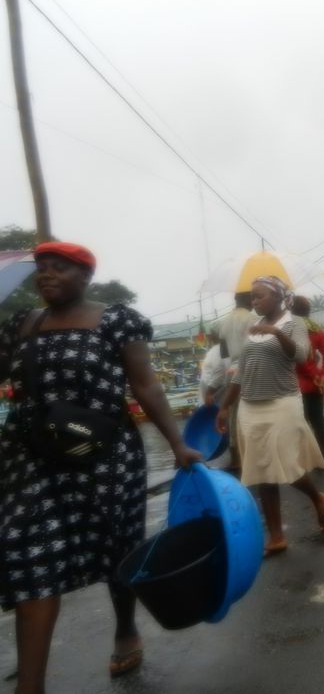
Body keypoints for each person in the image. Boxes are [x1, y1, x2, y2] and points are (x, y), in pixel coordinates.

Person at [0, 242, 203, 691]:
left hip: (105, 457)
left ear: (85, 275)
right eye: (42, 269)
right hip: (32, 458)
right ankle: (29, 686)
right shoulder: (22, 323)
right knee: (28, 554)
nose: (46, 275)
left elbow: (145, 384)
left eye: (60, 268)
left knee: (117, 549)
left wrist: (179, 444)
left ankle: (125, 626)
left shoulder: (116, 320)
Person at [216, 276, 324, 558]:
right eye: (252, 297)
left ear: (279, 297)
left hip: (282, 403)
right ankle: (277, 536)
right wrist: (224, 406)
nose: (255, 301)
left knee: (287, 466)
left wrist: (277, 333)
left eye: (260, 296)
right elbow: (242, 371)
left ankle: (318, 497)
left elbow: (303, 355)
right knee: (260, 471)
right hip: (250, 407)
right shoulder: (251, 328)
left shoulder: (294, 323)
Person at [291, 296, 324, 460]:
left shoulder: (292, 329)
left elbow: (300, 359)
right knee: (318, 420)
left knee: (300, 423)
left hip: (296, 384)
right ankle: (323, 454)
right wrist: (322, 374)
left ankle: (304, 457)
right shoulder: (316, 329)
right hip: (317, 384)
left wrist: (314, 374)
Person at [217, 292, 255, 470]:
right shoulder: (252, 318)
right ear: (248, 300)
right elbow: (254, 347)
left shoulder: (224, 322)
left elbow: (223, 352)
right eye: (253, 298)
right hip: (248, 369)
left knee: (233, 416)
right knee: (251, 413)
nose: (255, 302)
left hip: (231, 370)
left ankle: (235, 459)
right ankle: (250, 458)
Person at [198, 331, 229, 405]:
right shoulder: (216, 349)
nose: (208, 336)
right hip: (210, 398)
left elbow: (220, 370)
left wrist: (209, 393)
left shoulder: (221, 349)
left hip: (214, 399)